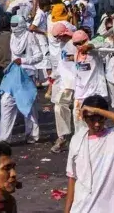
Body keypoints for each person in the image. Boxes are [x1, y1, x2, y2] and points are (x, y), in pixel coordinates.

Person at [63, 94, 114, 213]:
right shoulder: (77, 140)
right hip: (81, 207)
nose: (97, 124)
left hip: (108, 207)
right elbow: (72, 177)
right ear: (84, 118)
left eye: (100, 119)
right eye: (92, 120)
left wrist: (96, 110)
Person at [0, 15, 41, 144]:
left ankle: (32, 135)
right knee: (6, 102)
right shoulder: (12, 36)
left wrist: (23, 60)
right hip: (14, 74)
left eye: (16, 25)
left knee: (28, 105)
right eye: (12, 25)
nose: (14, 28)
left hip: (27, 74)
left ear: (22, 25)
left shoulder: (29, 36)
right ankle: (3, 138)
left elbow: (39, 56)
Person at [49, 21, 76, 153]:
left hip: (74, 83)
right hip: (64, 83)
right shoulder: (63, 45)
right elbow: (61, 65)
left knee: (76, 112)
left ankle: (71, 138)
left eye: (59, 37)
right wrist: (53, 78)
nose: (57, 39)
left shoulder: (75, 44)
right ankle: (63, 136)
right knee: (59, 107)